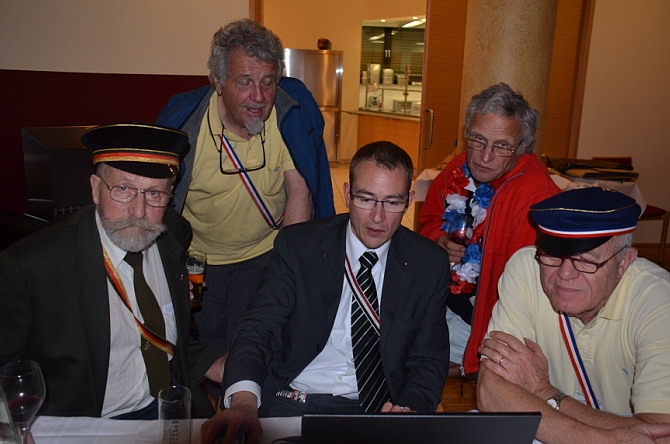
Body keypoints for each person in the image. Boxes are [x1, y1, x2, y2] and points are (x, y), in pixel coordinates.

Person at [200, 141, 450, 443]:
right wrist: (243, 402)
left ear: (409, 200)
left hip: (381, 407)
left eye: (392, 202)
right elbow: (259, 328)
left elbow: (428, 358)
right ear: (347, 194)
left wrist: (410, 408)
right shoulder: (299, 246)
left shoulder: (428, 263)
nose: (377, 217)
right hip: (295, 398)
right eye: (366, 199)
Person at [0, 124, 224, 419]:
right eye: (123, 189)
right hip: (91, 423)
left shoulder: (173, 233)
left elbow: (164, 331)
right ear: (95, 189)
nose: (139, 211)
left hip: (173, 404)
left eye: (154, 193)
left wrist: (213, 363)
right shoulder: (32, 266)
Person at [155, 19, 335, 355]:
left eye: (268, 82)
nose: (259, 97)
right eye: (245, 82)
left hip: (265, 254)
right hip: (203, 262)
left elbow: (300, 191)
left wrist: (289, 270)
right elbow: (159, 202)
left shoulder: (289, 114)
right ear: (218, 80)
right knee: (211, 350)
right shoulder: (185, 127)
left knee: (257, 345)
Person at [478, 187, 670, 443]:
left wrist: (542, 391)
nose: (565, 274)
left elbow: (661, 435)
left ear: (624, 263)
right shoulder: (527, 268)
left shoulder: (659, 300)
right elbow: (490, 393)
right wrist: (603, 439)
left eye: (585, 260)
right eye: (553, 256)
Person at [418, 83, 560, 376]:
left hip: (483, 320)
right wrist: (437, 239)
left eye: (502, 146)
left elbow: (524, 296)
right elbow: (429, 218)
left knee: (405, 361)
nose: (484, 157)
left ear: (522, 147)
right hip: (440, 297)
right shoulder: (461, 166)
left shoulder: (536, 197)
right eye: (478, 140)